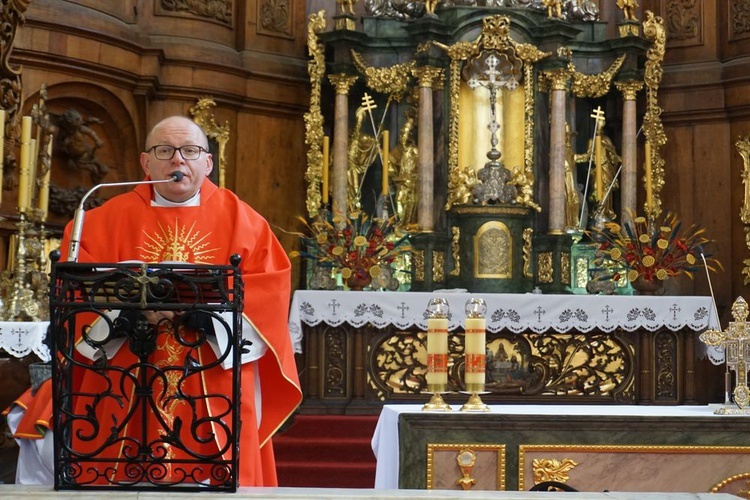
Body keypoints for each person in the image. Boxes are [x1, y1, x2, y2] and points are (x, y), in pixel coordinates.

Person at [4, 115, 302, 487]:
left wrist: (204, 316)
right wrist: (127, 311)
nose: (178, 160)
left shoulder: (245, 222)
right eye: (165, 151)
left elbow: (268, 294)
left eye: (190, 151)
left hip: (209, 375)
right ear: (146, 162)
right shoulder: (98, 222)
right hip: (125, 372)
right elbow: (75, 296)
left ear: (207, 163)